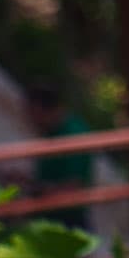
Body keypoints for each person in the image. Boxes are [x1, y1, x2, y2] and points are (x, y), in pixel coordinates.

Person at [26, 85, 94, 230]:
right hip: (51, 217)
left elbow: (73, 185)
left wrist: (38, 188)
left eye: (31, 112)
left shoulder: (73, 133)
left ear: (39, 109)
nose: (30, 119)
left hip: (68, 219)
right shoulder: (52, 133)